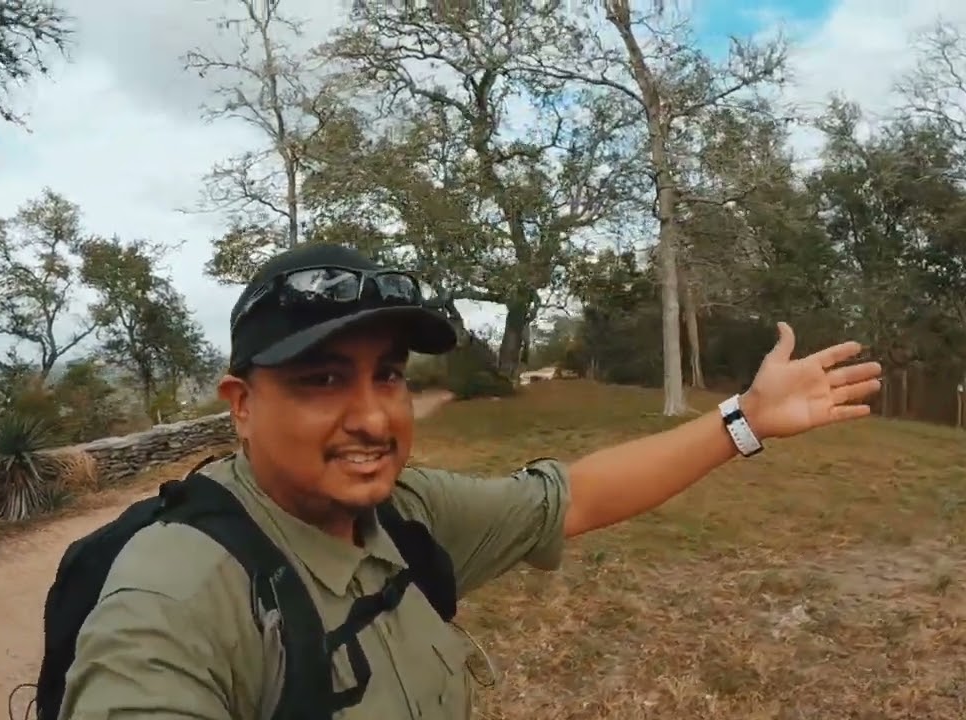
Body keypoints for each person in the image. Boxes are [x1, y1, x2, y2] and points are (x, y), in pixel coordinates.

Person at [56, 243, 882, 720]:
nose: (374, 418)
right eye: (320, 380)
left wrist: (746, 420)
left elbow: (576, 496)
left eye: (387, 375)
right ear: (240, 406)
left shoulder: (403, 517)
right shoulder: (175, 595)